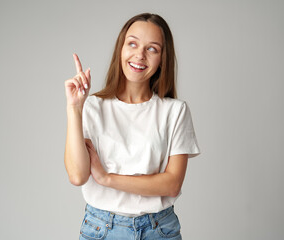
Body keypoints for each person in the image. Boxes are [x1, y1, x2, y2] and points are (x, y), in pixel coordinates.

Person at [64, 13, 200, 240]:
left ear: (162, 59)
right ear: (121, 49)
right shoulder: (92, 107)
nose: (140, 55)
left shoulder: (175, 111)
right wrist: (74, 108)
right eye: (133, 44)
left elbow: (172, 184)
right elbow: (78, 176)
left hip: (159, 229)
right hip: (102, 229)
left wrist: (107, 178)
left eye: (152, 49)